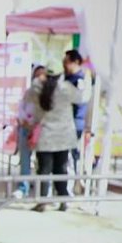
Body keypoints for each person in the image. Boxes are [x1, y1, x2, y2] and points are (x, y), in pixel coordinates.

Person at [31, 71, 78, 212]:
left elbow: (32, 89)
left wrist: (39, 79)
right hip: (63, 136)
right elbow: (82, 97)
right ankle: (63, 200)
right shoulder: (66, 88)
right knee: (61, 170)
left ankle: (42, 202)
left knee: (43, 170)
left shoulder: (38, 88)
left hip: (45, 135)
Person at [13, 66, 46, 198]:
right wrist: (24, 122)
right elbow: (21, 108)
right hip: (26, 128)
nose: (39, 78)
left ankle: (42, 189)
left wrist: (36, 125)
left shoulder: (49, 94)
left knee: (43, 162)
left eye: (42, 75)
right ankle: (23, 187)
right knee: (24, 160)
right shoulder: (28, 92)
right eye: (37, 75)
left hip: (41, 130)